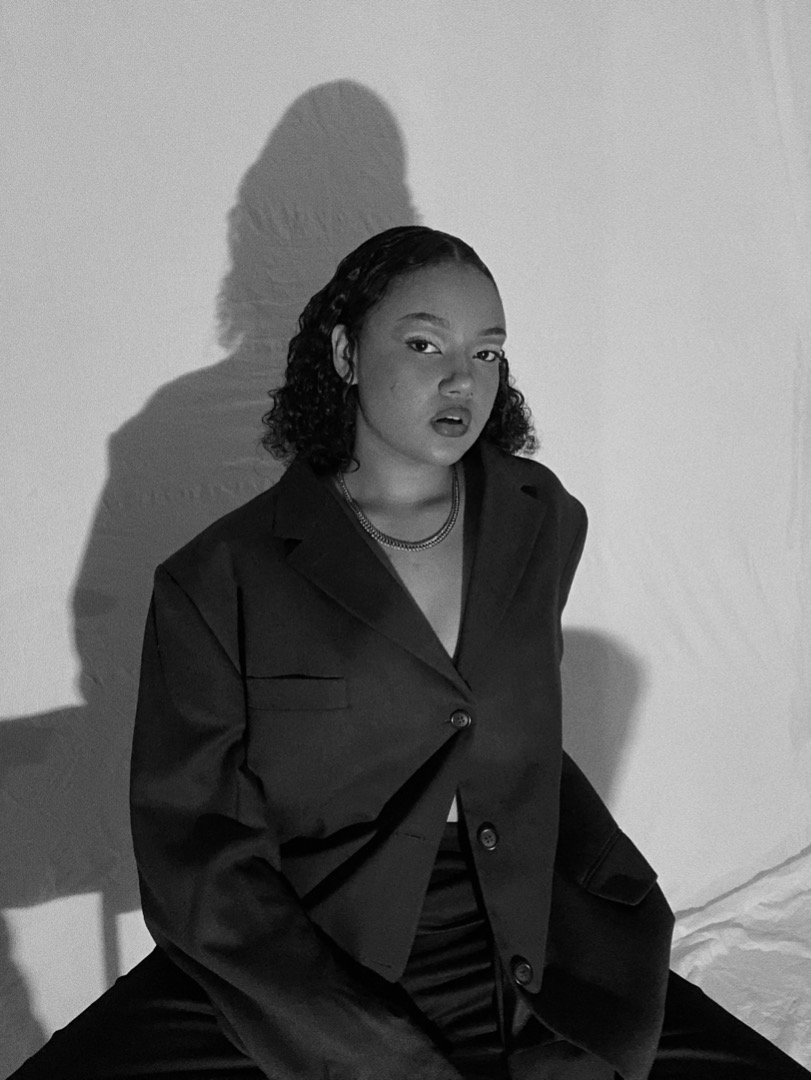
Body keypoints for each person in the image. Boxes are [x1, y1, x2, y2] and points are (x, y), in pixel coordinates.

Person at [10, 226, 809, 1079]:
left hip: (523, 931)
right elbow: (197, 852)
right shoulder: (220, 577)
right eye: (425, 344)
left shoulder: (540, 519)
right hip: (309, 949)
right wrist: (362, 1049)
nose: (462, 379)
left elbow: (496, 721)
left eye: (487, 352)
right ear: (346, 353)